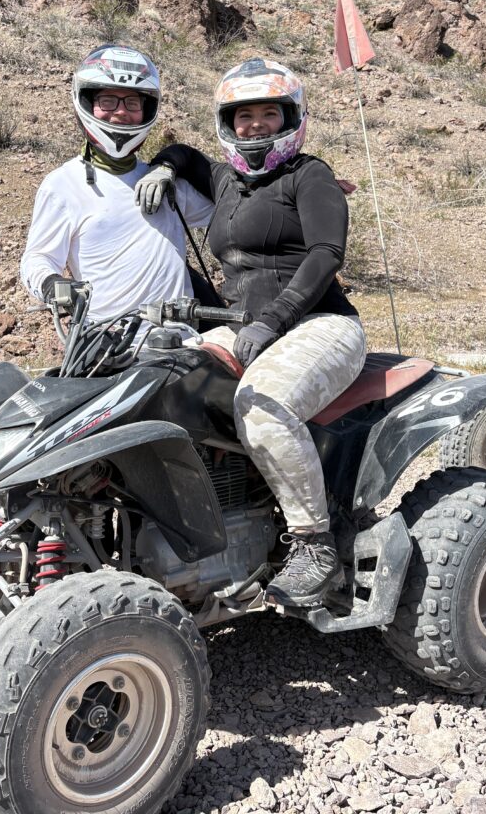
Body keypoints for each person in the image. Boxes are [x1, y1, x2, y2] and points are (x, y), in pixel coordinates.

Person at [135, 57, 367, 608]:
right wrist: (165, 167)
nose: (256, 124)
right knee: (157, 384)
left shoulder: (310, 176)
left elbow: (325, 255)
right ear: (229, 123)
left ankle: (316, 545)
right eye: (244, 116)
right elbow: (187, 155)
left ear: (292, 117)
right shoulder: (226, 181)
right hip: (243, 329)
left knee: (262, 408)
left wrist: (273, 318)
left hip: (319, 325)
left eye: (270, 112)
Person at [20, 44, 214, 320]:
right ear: (87, 103)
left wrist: (177, 160)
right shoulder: (64, 185)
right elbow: (38, 258)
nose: (121, 112)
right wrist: (53, 285)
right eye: (108, 101)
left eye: (132, 103)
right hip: (108, 344)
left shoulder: (163, 182)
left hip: (181, 340)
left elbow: (228, 209)